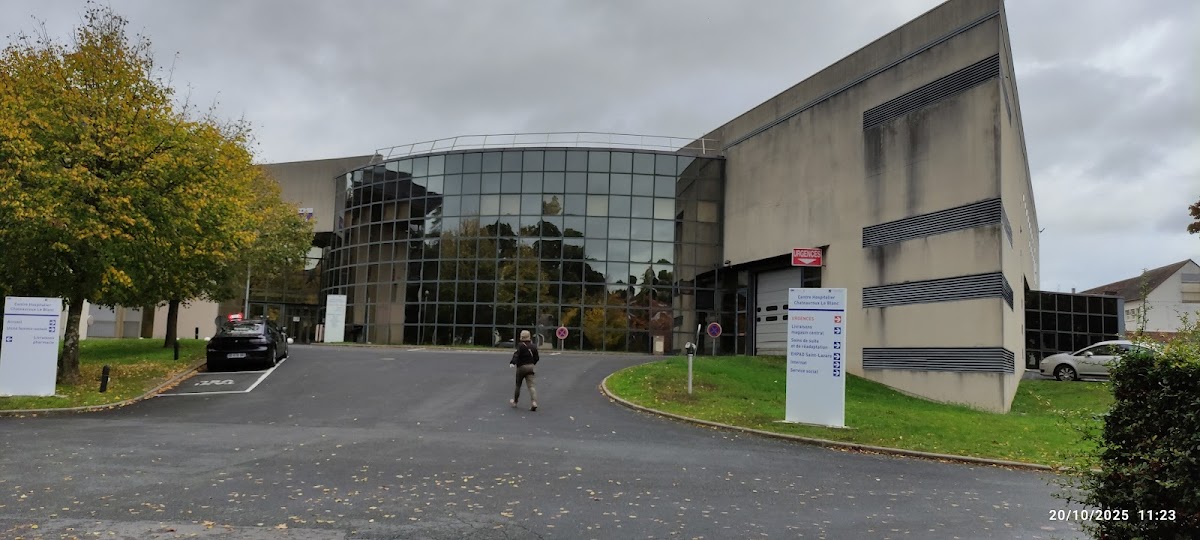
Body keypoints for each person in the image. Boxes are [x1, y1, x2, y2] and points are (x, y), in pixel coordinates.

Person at [509, 330, 540, 411]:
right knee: (531, 386)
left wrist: (513, 362)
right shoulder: (533, 346)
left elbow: (516, 354)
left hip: (521, 367)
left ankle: (515, 402)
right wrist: (532, 363)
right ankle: (534, 402)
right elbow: (537, 358)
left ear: (521, 337)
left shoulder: (520, 345)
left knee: (518, 385)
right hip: (531, 367)